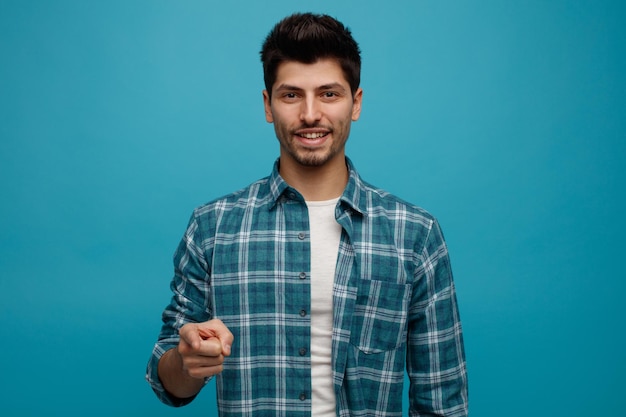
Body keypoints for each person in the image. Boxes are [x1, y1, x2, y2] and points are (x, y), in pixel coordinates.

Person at [146, 12, 468, 416]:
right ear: (268, 105)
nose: (311, 114)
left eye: (329, 94)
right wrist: (187, 361)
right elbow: (168, 381)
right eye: (291, 95)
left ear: (356, 103)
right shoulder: (212, 228)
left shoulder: (415, 235)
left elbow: (442, 401)